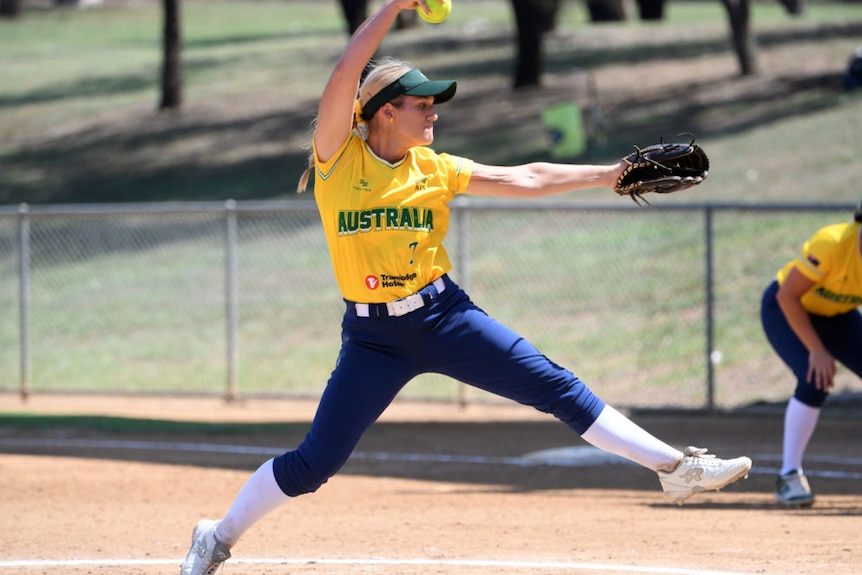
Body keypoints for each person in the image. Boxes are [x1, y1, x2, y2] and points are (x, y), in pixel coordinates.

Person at [180, 1, 752, 573]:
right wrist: (394, 6)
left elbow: (525, 176)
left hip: (443, 318)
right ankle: (218, 536)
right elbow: (344, 73)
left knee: (556, 386)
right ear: (382, 112)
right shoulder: (337, 159)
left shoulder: (434, 167)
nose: (433, 115)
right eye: (421, 104)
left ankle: (677, 470)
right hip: (373, 339)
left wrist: (605, 175)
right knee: (314, 465)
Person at [761, 200, 862, 508]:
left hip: (839, 316)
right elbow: (787, 295)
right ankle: (789, 476)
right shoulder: (832, 243)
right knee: (813, 376)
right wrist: (817, 350)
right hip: (786, 309)